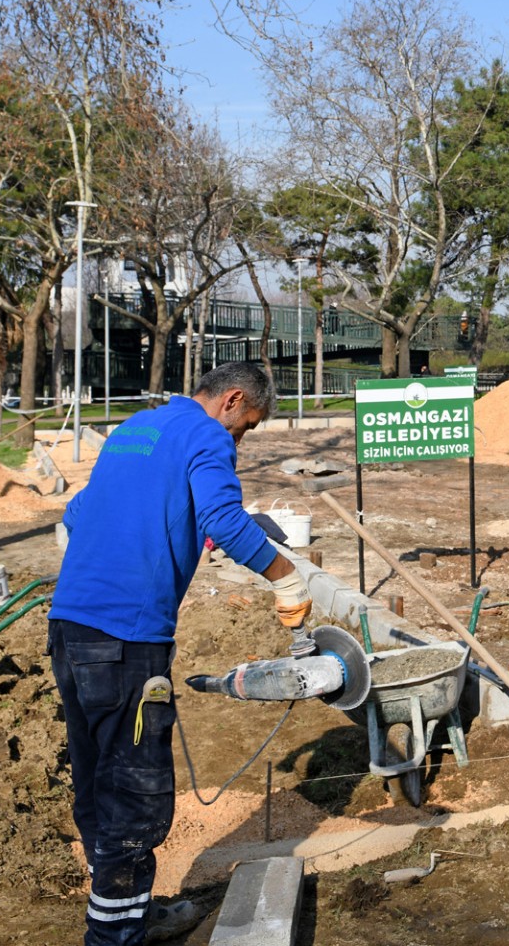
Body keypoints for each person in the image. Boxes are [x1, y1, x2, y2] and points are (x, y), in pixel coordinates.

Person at [49, 362, 312, 944]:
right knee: (135, 791)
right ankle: (114, 936)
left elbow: (79, 513)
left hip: (71, 630)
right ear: (232, 400)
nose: (240, 438)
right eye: (247, 426)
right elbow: (220, 516)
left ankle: (126, 913)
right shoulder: (207, 436)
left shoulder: (135, 429)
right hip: (126, 640)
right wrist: (287, 578)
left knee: (97, 778)